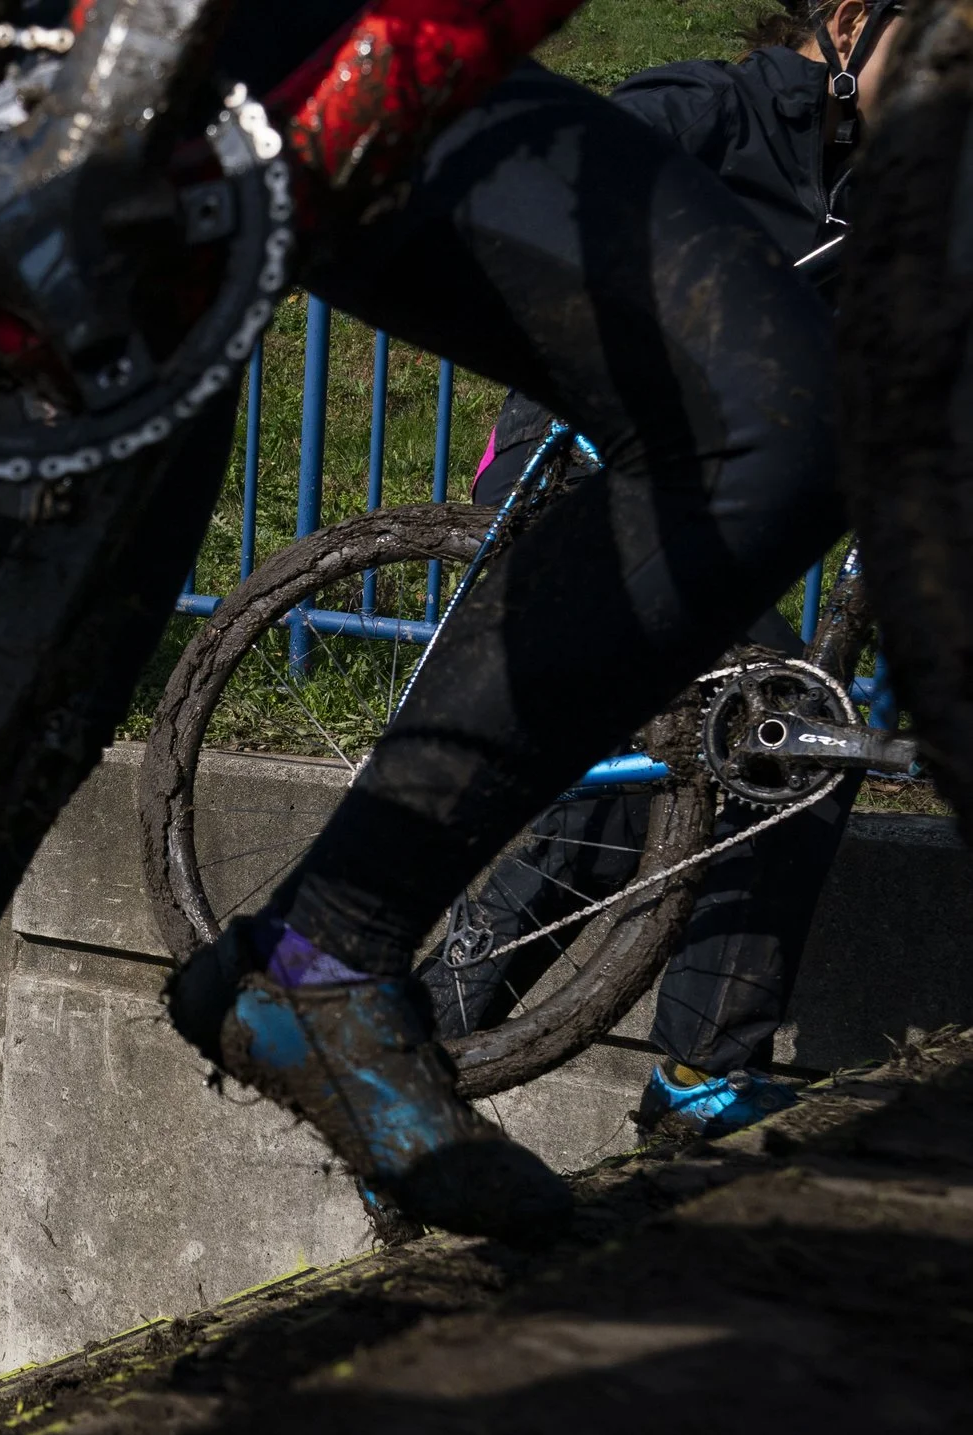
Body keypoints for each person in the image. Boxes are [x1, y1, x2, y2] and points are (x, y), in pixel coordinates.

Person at [0, 0, 850, 1435]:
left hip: (335, 33)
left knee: (773, 419)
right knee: (17, 708)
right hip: (87, 57)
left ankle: (323, 952)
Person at [431, 0, 904, 1139]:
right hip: (576, 470)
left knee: (772, 742)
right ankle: (433, 1037)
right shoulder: (705, 112)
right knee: (750, 734)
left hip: (702, 517)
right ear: (847, 23)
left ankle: (684, 1072)